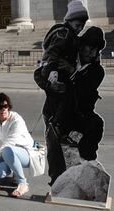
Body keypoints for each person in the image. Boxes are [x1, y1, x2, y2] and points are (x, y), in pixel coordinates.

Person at [33, 0, 89, 186]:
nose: (80, 27)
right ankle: (58, 180)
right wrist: (52, 81)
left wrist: (70, 68)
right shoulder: (65, 35)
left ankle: (65, 178)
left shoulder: (72, 38)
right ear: (70, 21)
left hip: (66, 98)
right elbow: (48, 59)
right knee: (57, 142)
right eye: (77, 23)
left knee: (66, 142)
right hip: (57, 103)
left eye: (82, 24)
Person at [71, 26, 106, 161]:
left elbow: (83, 90)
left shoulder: (96, 71)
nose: (91, 53)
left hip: (80, 114)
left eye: (95, 50)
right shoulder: (70, 59)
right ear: (81, 46)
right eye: (89, 48)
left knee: (96, 124)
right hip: (58, 111)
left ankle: (88, 159)